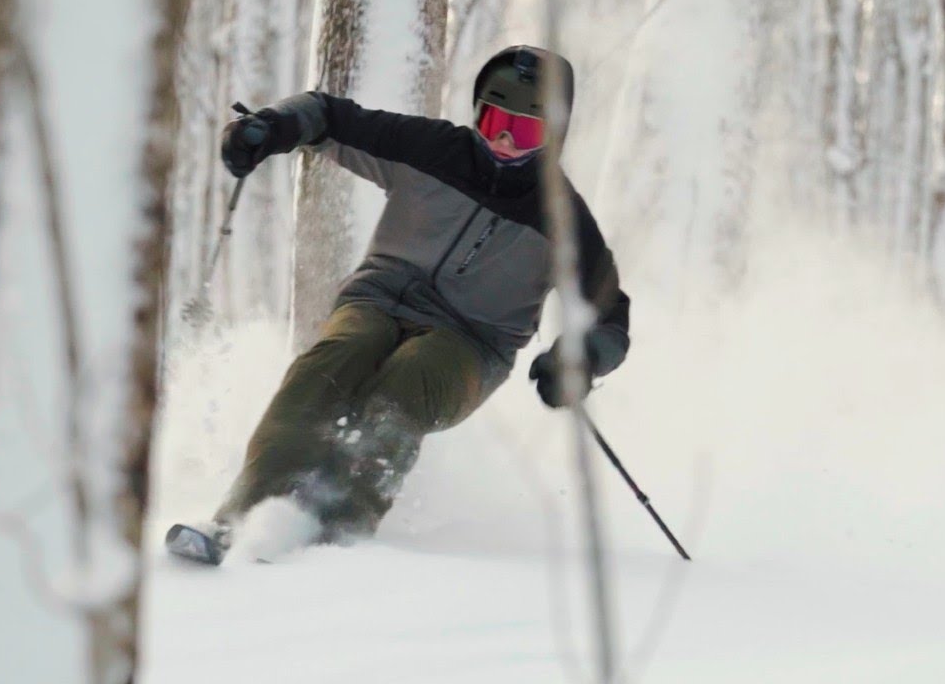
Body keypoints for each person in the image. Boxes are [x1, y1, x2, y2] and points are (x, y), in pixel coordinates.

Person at [191, 45, 630, 558]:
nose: (505, 141)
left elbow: (611, 318)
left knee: (407, 382)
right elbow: (328, 116)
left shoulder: (563, 219)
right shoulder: (432, 149)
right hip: (377, 299)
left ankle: (335, 535)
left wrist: (581, 358)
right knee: (331, 362)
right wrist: (271, 127)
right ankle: (242, 518)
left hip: (471, 344)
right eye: (494, 122)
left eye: (525, 131)